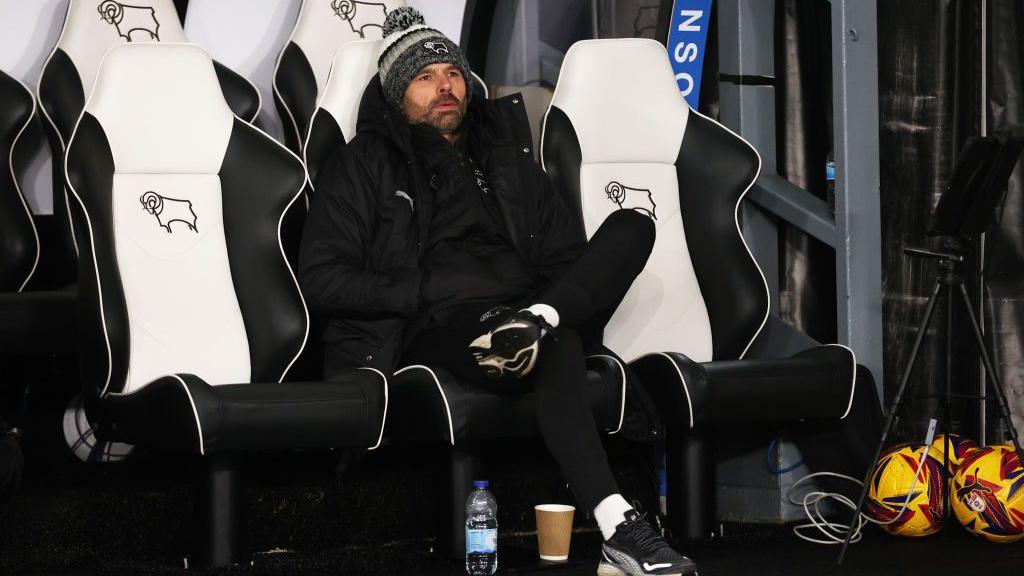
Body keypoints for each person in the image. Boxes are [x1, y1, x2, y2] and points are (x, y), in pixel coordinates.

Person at [299, 7, 697, 575]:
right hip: (440, 323)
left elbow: (565, 256)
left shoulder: (506, 160)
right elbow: (321, 278)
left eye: (453, 73)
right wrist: (425, 286)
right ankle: (618, 526)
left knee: (635, 225)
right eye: (424, 77)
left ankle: (537, 320)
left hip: (529, 307)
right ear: (395, 95)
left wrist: (546, 303)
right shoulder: (362, 165)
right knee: (552, 344)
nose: (445, 86)